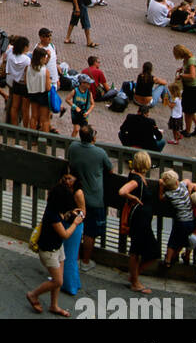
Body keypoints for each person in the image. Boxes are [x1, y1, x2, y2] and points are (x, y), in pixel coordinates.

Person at [27, 174, 84, 316]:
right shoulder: (53, 216)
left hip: (57, 247)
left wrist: (71, 213)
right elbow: (64, 234)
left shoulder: (54, 208)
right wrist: (75, 223)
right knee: (58, 281)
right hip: (49, 251)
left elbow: (63, 215)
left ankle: (54, 305)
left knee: (57, 278)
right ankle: (33, 294)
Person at [66, 125, 112, 270]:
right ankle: (85, 262)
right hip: (93, 198)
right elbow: (110, 169)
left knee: (76, 225)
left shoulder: (73, 147)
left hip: (76, 195)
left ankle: (74, 257)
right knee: (90, 232)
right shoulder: (100, 153)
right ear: (93, 137)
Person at [119, 150, 160, 291]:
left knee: (141, 250)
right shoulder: (136, 180)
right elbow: (122, 191)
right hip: (139, 220)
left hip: (142, 219)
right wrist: (133, 198)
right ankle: (135, 282)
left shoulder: (137, 176)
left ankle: (134, 276)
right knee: (140, 251)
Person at [172, 43, 196, 137]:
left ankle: (187, 131)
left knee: (188, 110)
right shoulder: (187, 59)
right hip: (189, 87)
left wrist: (181, 75)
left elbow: (192, 76)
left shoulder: (191, 60)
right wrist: (182, 69)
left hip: (193, 88)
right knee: (190, 109)